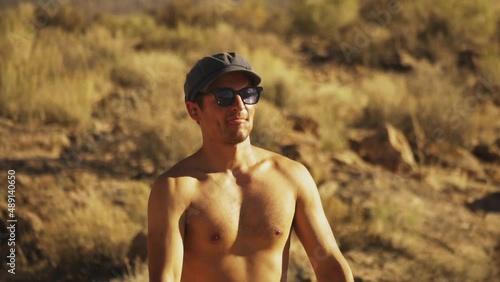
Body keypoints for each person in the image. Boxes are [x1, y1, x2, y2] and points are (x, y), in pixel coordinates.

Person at [147, 52, 354, 282]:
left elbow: (330, 268)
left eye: (248, 94)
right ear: (194, 110)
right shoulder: (175, 188)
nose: (239, 105)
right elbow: (165, 277)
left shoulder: (291, 177)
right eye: (223, 96)